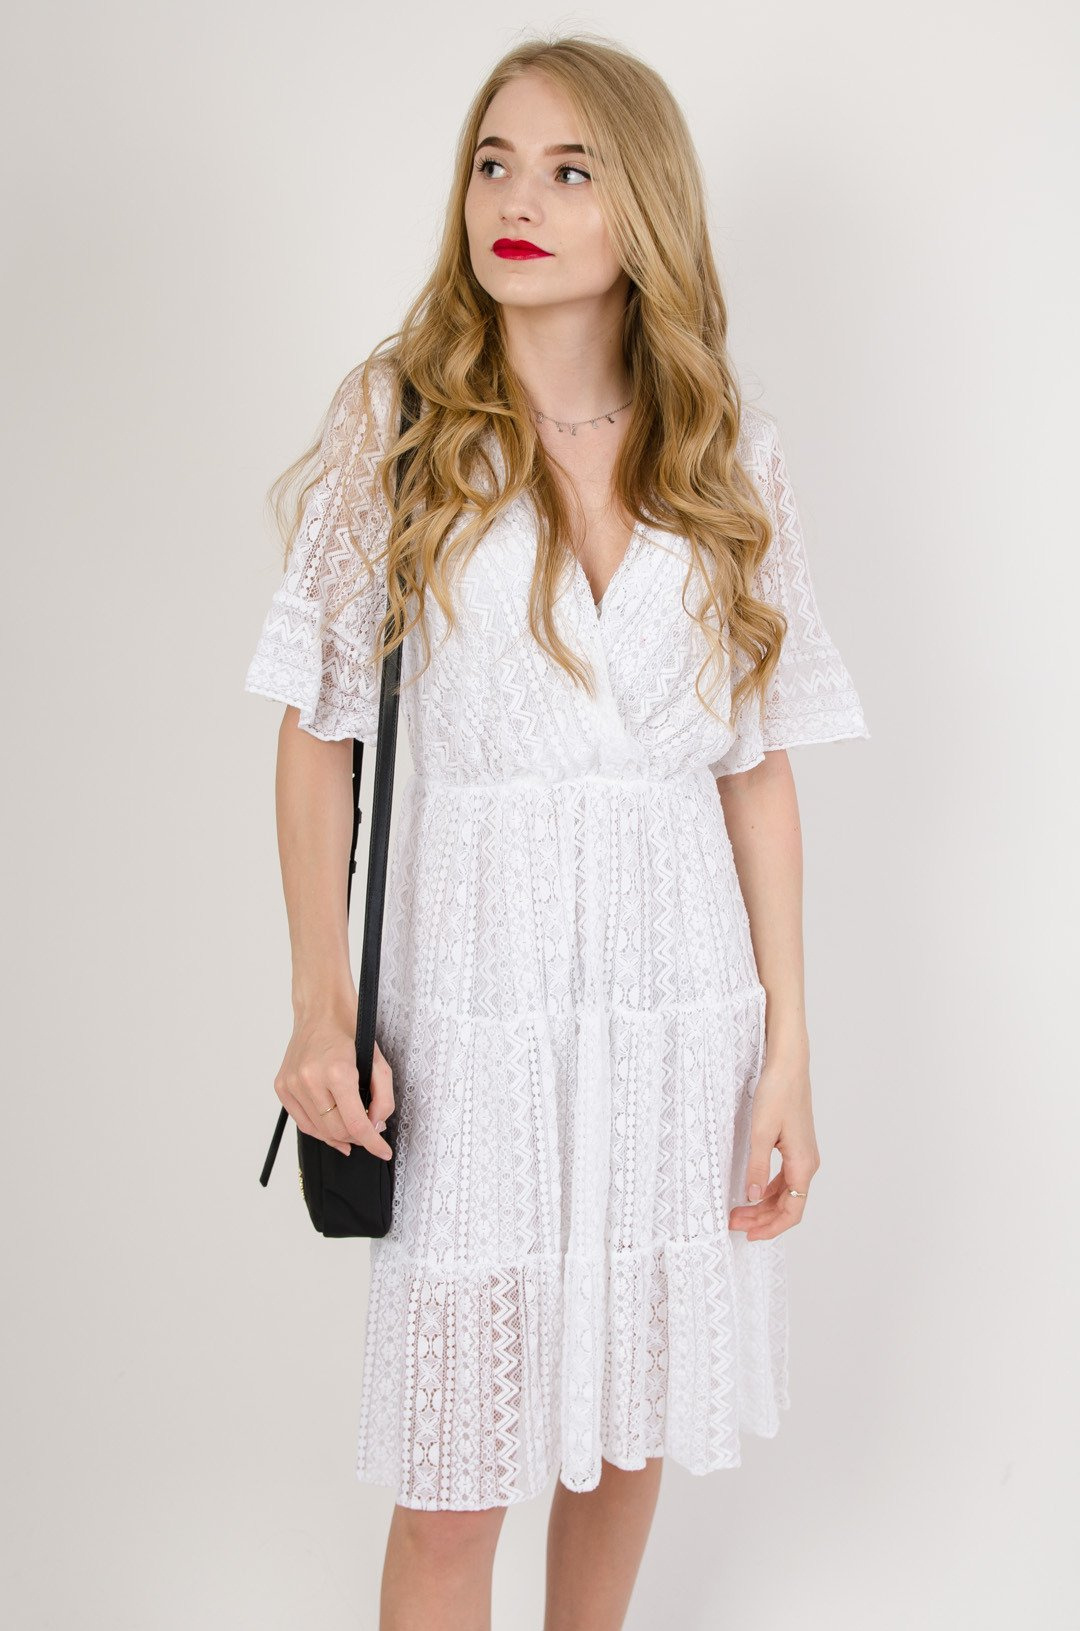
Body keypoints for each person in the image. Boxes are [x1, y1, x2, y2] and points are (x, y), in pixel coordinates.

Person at [243, 33, 869, 1631]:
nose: (515, 201)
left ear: (642, 205)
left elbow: (755, 768)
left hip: (677, 1016)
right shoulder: (399, 426)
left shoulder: (727, 451)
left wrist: (789, 1048)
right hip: (473, 1022)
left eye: (569, 170)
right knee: (454, 1489)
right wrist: (318, 1001)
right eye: (493, 163)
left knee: (623, 1435)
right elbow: (317, 729)